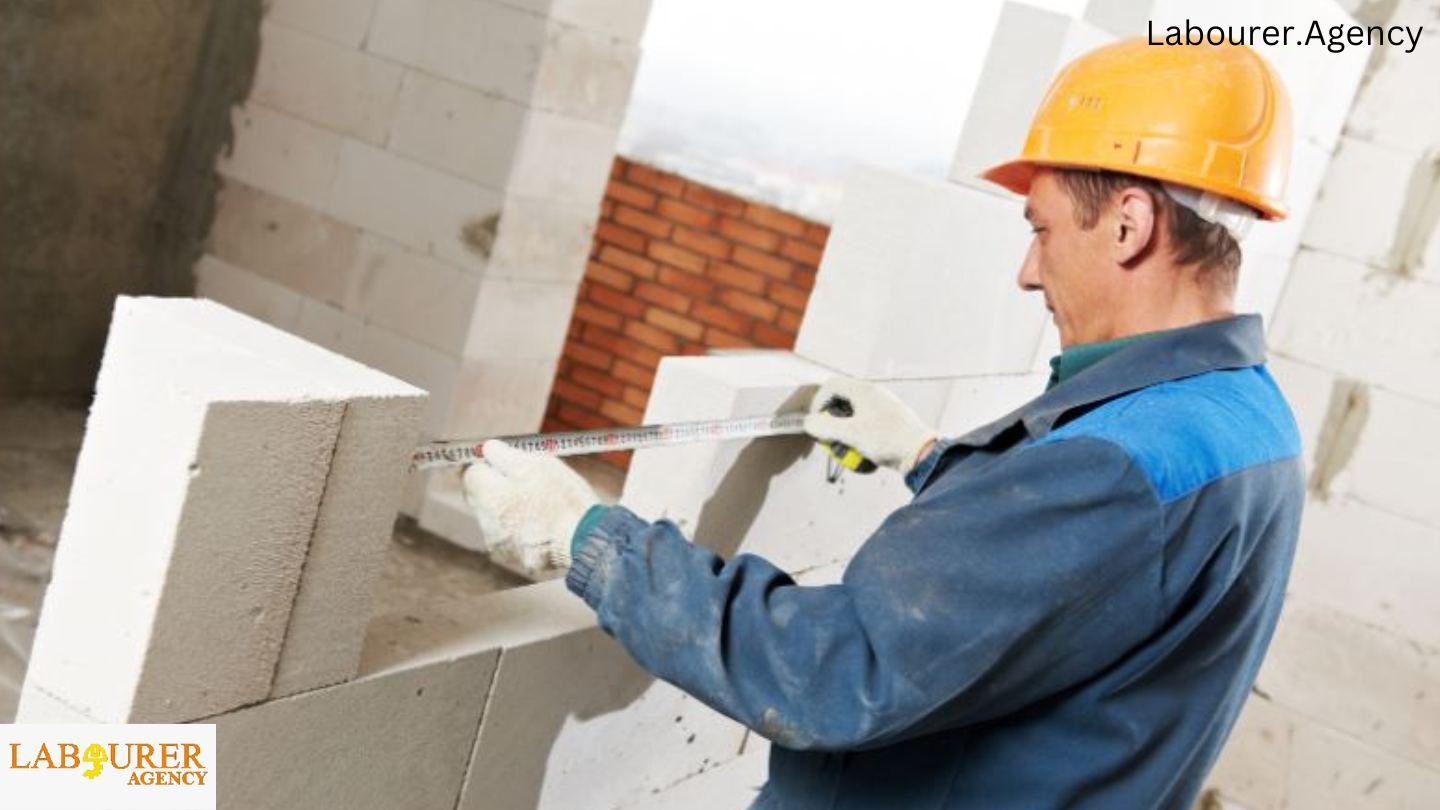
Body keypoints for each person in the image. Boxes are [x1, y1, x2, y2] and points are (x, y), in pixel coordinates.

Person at [463, 38, 1304, 809]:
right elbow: (1083, 583)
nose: (1027, 272)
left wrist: (588, 540)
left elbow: (832, 673)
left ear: (1128, 224)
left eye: (1042, 229)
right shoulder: (1248, 421)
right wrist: (932, 458)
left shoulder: (1116, 466)